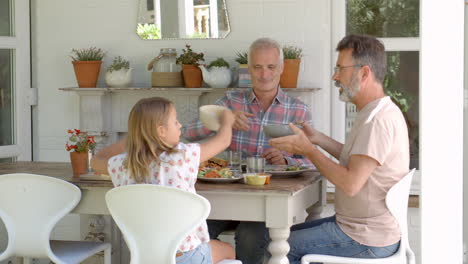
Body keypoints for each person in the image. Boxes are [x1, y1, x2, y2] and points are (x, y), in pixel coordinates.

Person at [269, 34, 410, 264]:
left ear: (364, 73)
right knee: (284, 234)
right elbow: (358, 161)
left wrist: (308, 150)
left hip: (366, 239)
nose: (335, 76)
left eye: (340, 69)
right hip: (360, 229)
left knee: (280, 247)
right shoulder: (375, 111)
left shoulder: (377, 120)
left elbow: (350, 183)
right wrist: (317, 139)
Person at [182, 37, 313, 264]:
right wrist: (224, 121)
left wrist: (285, 160)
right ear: (248, 69)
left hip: (267, 202)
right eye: (257, 67)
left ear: (281, 68)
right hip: (226, 197)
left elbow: (312, 164)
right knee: (192, 229)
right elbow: (187, 134)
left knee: (250, 236)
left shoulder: (298, 110)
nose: (264, 74)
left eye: (271, 67)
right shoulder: (230, 102)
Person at [91, 97, 236, 264]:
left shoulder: (121, 164)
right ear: (161, 131)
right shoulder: (181, 156)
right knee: (228, 250)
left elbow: (95, 160)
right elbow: (224, 140)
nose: (180, 125)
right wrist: (227, 121)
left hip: (145, 258)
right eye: (175, 122)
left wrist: (136, 135)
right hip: (185, 256)